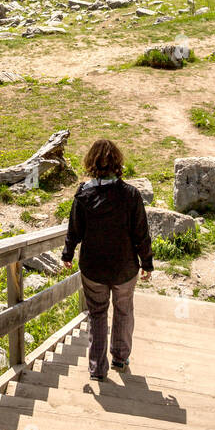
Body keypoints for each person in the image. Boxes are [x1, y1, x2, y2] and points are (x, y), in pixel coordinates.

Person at [61, 138, 153, 381]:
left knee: (97, 314)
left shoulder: (83, 195)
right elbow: (141, 233)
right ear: (117, 163)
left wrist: (68, 254)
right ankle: (120, 359)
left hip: (94, 268)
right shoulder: (131, 195)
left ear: (91, 163)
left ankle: (97, 369)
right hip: (125, 267)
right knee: (123, 310)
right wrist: (147, 263)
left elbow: (74, 229)